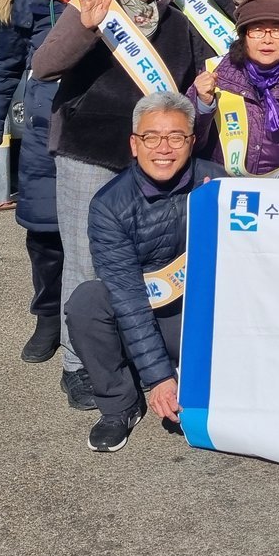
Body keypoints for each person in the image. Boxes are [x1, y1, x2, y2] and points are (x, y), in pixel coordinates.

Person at [32, 0, 206, 410]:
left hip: (155, 160)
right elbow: (45, 66)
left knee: (149, 260)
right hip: (90, 150)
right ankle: (78, 365)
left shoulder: (178, 22)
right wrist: (84, 26)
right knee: (86, 260)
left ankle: (132, 353)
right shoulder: (94, 6)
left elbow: (192, 84)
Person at [0, 0, 97, 364]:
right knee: (45, 237)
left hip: (100, 134)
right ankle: (47, 318)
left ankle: (95, 320)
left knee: (101, 233)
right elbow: (3, 70)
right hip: (45, 136)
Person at [65, 92, 222, 452]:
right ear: (134, 145)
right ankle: (119, 405)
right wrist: (159, 379)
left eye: (176, 137)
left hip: (198, 316)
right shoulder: (109, 205)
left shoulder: (216, 183)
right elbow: (127, 297)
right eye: (151, 137)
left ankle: (193, 373)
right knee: (87, 301)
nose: (163, 148)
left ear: (192, 141)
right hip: (142, 309)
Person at [190, 0, 279, 178]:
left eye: (278, 30)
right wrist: (203, 105)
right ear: (243, 36)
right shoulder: (215, 74)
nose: (267, 39)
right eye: (257, 30)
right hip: (221, 186)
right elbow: (189, 142)